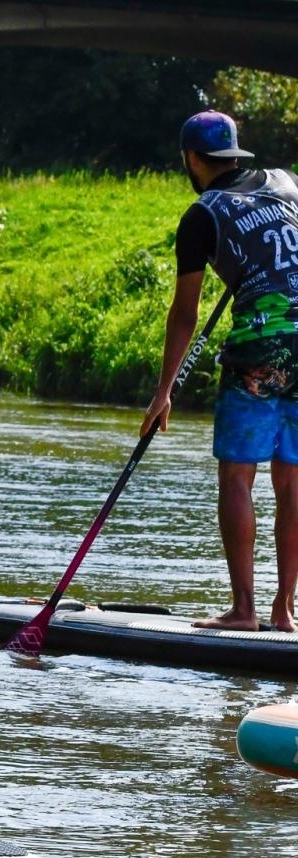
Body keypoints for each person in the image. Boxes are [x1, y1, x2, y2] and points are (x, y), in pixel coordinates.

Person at [145, 111, 298, 631]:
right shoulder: (287, 182)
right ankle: (285, 611)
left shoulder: (201, 216)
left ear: (192, 158)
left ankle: (244, 611)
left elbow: (185, 312)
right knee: (292, 478)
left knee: (238, 476)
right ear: (236, 153)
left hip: (261, 343)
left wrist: (162, 394)